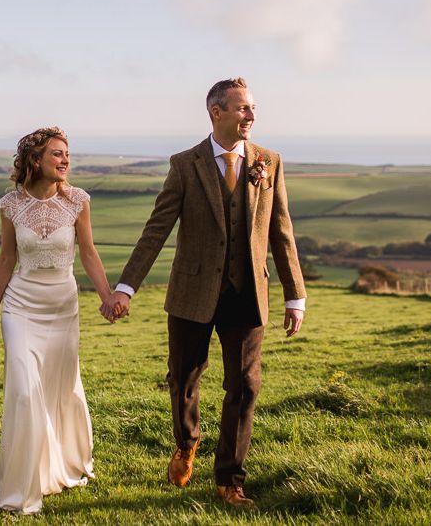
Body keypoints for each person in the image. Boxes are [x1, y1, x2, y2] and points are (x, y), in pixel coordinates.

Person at [102, 78, 306, 508]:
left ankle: (229, 479)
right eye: (242, 108)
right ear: (216, 112)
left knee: (246, 386)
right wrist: (126, 287)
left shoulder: (269, 162)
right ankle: (187, 440)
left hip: (247, 294)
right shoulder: (184, 164)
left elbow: (281, 231)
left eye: (252, 108)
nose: (250, 115)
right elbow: (156, 230)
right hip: (192, 293)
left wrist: (295, 295)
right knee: (183, 379)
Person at [0, 126, 111, 515]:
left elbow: (88, 253)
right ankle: (21, 489)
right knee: (24, 391)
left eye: (67, 154)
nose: (65, 160)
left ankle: (65, 464)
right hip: (21, 306)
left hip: (62, 309)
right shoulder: (10, 205)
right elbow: (6, 259)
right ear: (35, 161)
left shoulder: (78, 201)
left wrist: (107, 298)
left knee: (61, 389)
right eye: (57, 154)